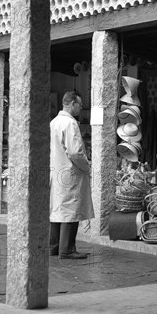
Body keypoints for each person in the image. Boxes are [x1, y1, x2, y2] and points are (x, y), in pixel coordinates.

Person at [49, 91, 94, 259]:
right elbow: (75, 152)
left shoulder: (53, 122)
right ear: (72, 104)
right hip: (70, 172)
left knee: (57, 209)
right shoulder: (70, 123)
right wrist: (87, 166)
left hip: (56, 170)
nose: (80, 108)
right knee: (70, 210)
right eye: (79, 105)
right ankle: (67, 249)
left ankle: (53, 246)